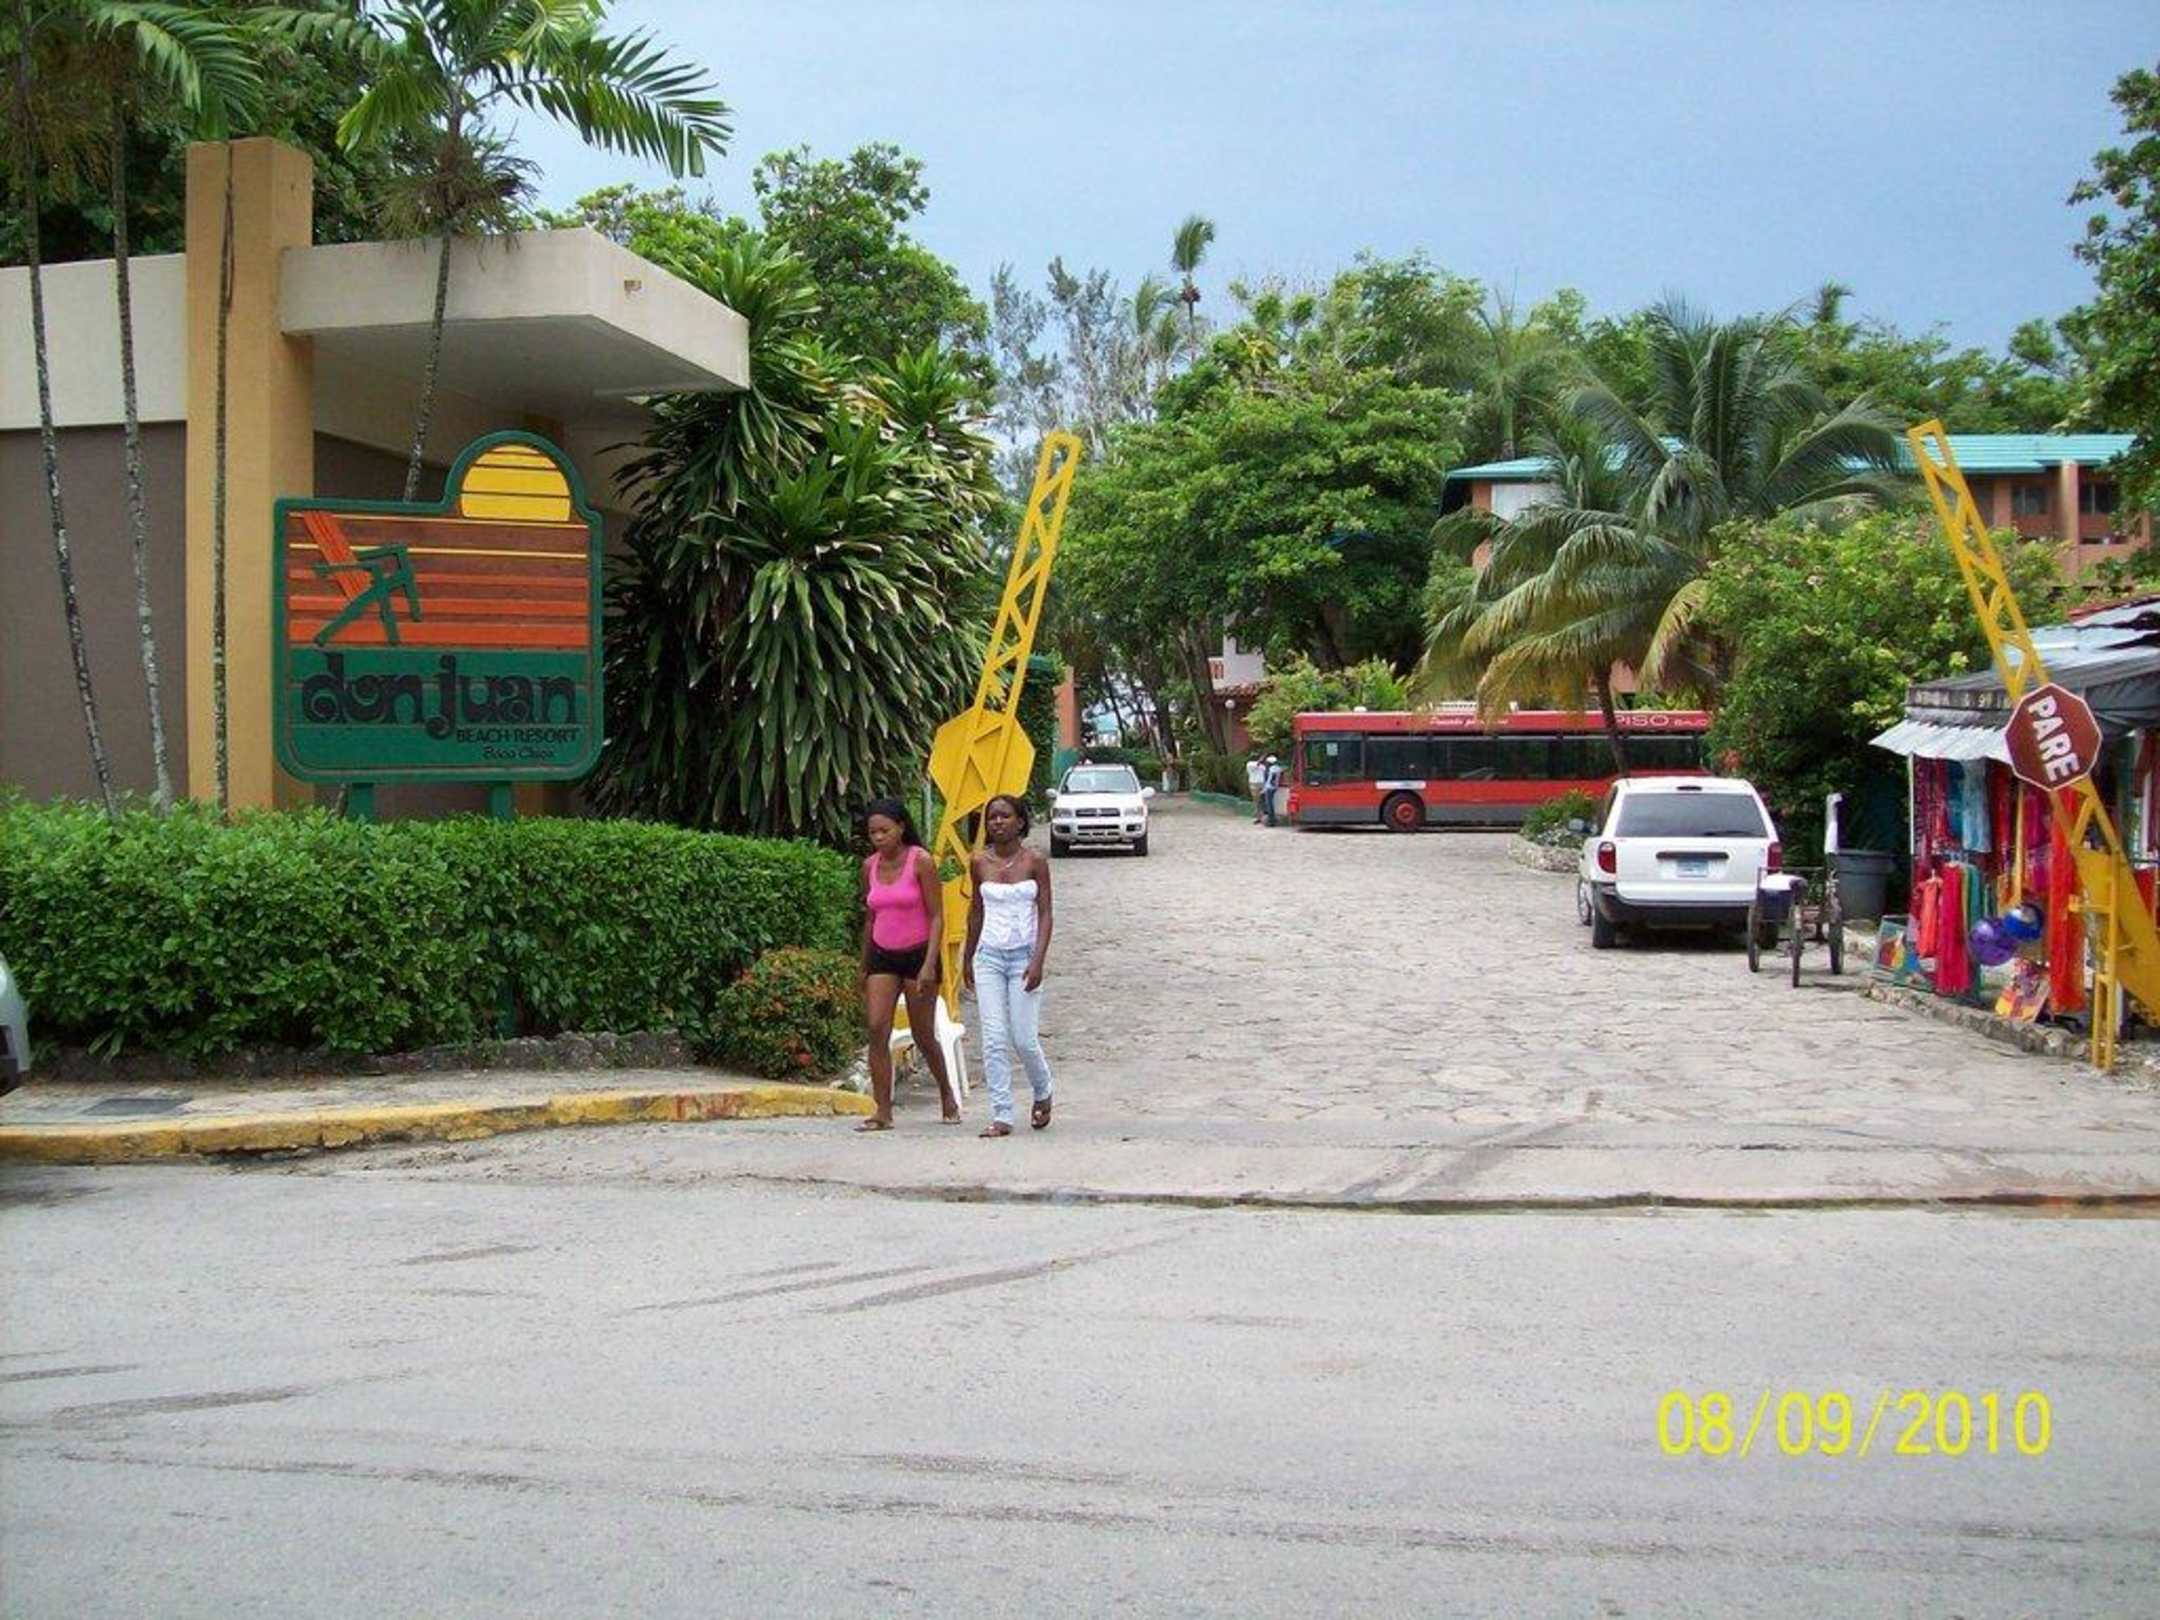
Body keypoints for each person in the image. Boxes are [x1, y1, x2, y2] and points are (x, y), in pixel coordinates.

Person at [856, 798, 961, 1131]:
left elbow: (936, 916)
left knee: (923, 1033)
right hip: (882, 954)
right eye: (873, 832)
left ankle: (946, 1093)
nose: (879, 837)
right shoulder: (869, 866)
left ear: (901, 828)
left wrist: (929, 964)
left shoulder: (921, 861)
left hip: (918, 954)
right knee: (877, 1027)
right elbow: (870, 917)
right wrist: (864, 963)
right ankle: (882, 1109)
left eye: (885, 830)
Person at [963, 793, 1056, 1138]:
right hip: (989, 955)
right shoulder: (979, 862)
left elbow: (1045, 913)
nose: (998, 822)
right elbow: (976, 912)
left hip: (1023, 956)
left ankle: (1043, 1088)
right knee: (993, 1037)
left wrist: (1038, 960)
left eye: (1004, 816)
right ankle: (1001, 1113)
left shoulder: (1035, 862)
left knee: (1024, 1038)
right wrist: (968, 957)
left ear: (1020, 821)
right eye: (992, 817)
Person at [1261, 754, 1283, 828]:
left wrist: (1264, 789)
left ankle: (1271, 819)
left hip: (1269, 787)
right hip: (1274, 787)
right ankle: (1272, 818)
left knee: (1269, 804)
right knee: (1271, 803)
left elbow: (1267, 780)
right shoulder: (1278, 768)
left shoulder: (1269, 769)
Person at [1247, 754, 1267, 822]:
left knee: (1262, 800)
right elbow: (1257, 764)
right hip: (1254, 784)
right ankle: (1258, 816)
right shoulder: (1250, 764)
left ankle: (1262, 815)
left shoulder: (1262, 766)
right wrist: (1261, 759)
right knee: (1257, 800)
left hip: (1262, 784)